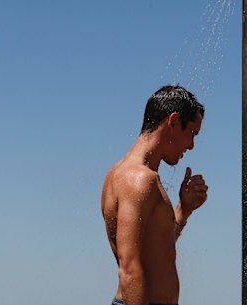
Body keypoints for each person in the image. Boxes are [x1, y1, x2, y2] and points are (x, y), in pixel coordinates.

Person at [101, 85, 209, 305]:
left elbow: (156, 249)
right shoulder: (139, 180)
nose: (191, 145)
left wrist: (183, 210)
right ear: (173, 121)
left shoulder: (120, 174)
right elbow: (129, 270)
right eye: (192, 134)